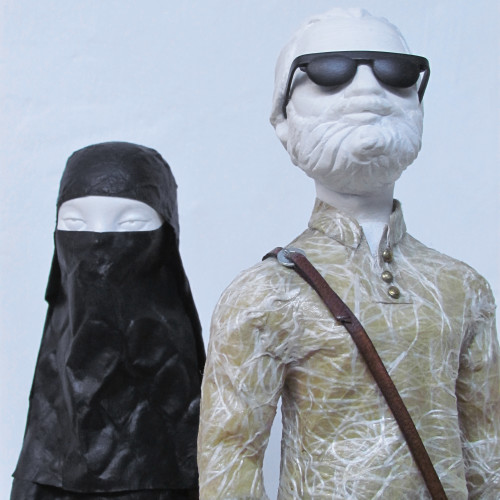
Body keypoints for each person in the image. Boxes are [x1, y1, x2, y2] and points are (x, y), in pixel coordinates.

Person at [197, 9, 500, 499]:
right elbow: (230, 458)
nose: (368, 91)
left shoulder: (463, 287)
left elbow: (486, 450)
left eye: (396, 74)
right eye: (328, 72)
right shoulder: (264, 293)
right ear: (282, 120)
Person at [11, 141, 205, 499]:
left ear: (167, 235)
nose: (99, 240)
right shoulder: (56, 385)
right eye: (75, 222)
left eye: (131, 223)